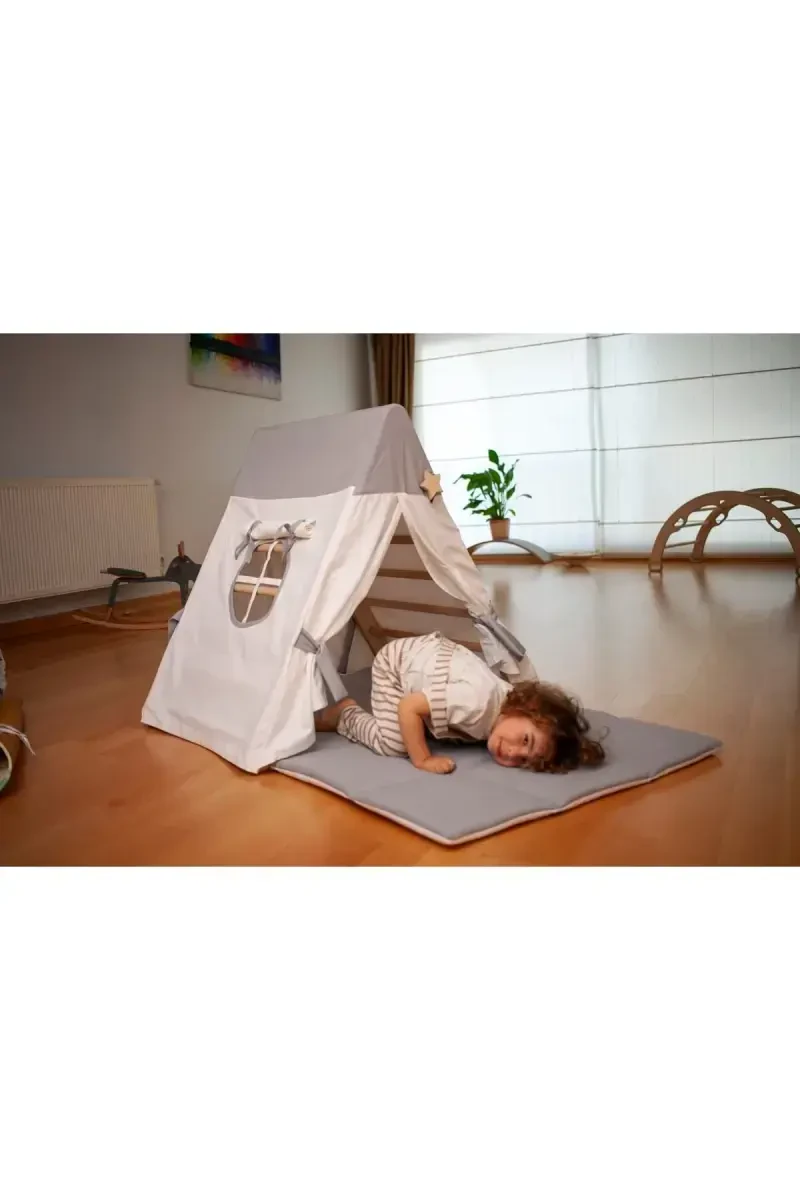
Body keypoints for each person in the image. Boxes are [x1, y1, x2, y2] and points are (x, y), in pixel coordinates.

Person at [314, 632, 605, 775]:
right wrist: (422, 759)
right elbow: (408, 707)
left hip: (428, 657)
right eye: (525, 740)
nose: (513, 753)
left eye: (524, 760)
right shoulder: (476, 705)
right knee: (395, 744)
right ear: (526, 708)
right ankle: (344, 715)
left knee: (437, 723)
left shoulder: (503, 703)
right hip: (396, 666)